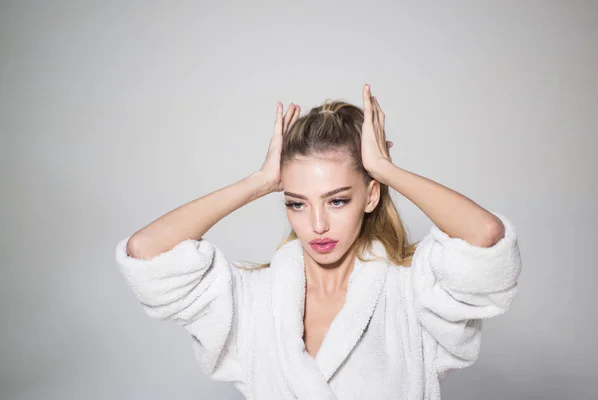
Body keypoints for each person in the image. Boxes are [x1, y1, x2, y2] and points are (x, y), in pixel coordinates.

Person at [115, 84, 522, 399]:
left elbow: (485, 237)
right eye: (296, 203)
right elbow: (145, 252)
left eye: (338, 200)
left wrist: (384, 168)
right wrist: (258, 182)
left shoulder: (412, 289)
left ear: (372, 195)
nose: (317, 224)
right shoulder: (255, 298)